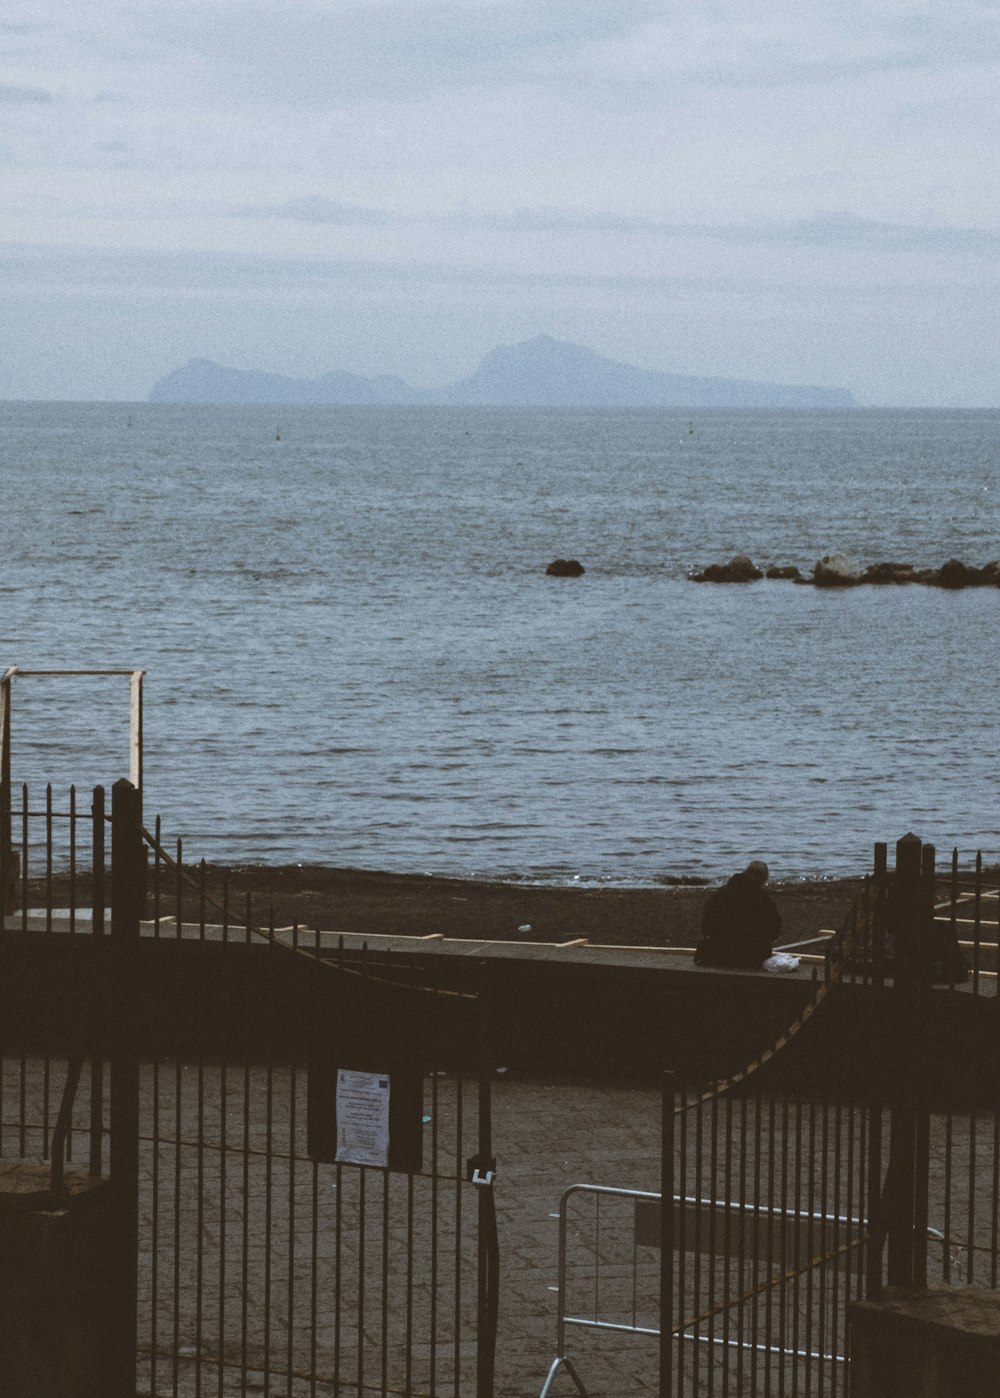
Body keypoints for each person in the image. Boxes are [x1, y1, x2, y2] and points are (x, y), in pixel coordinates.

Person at [694, 860, 781, 969]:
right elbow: (774, 931)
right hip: (752, 956)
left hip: (717, 953)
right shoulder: (763, 899)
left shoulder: (720, 894)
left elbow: (705, 926)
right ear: (763, 879)